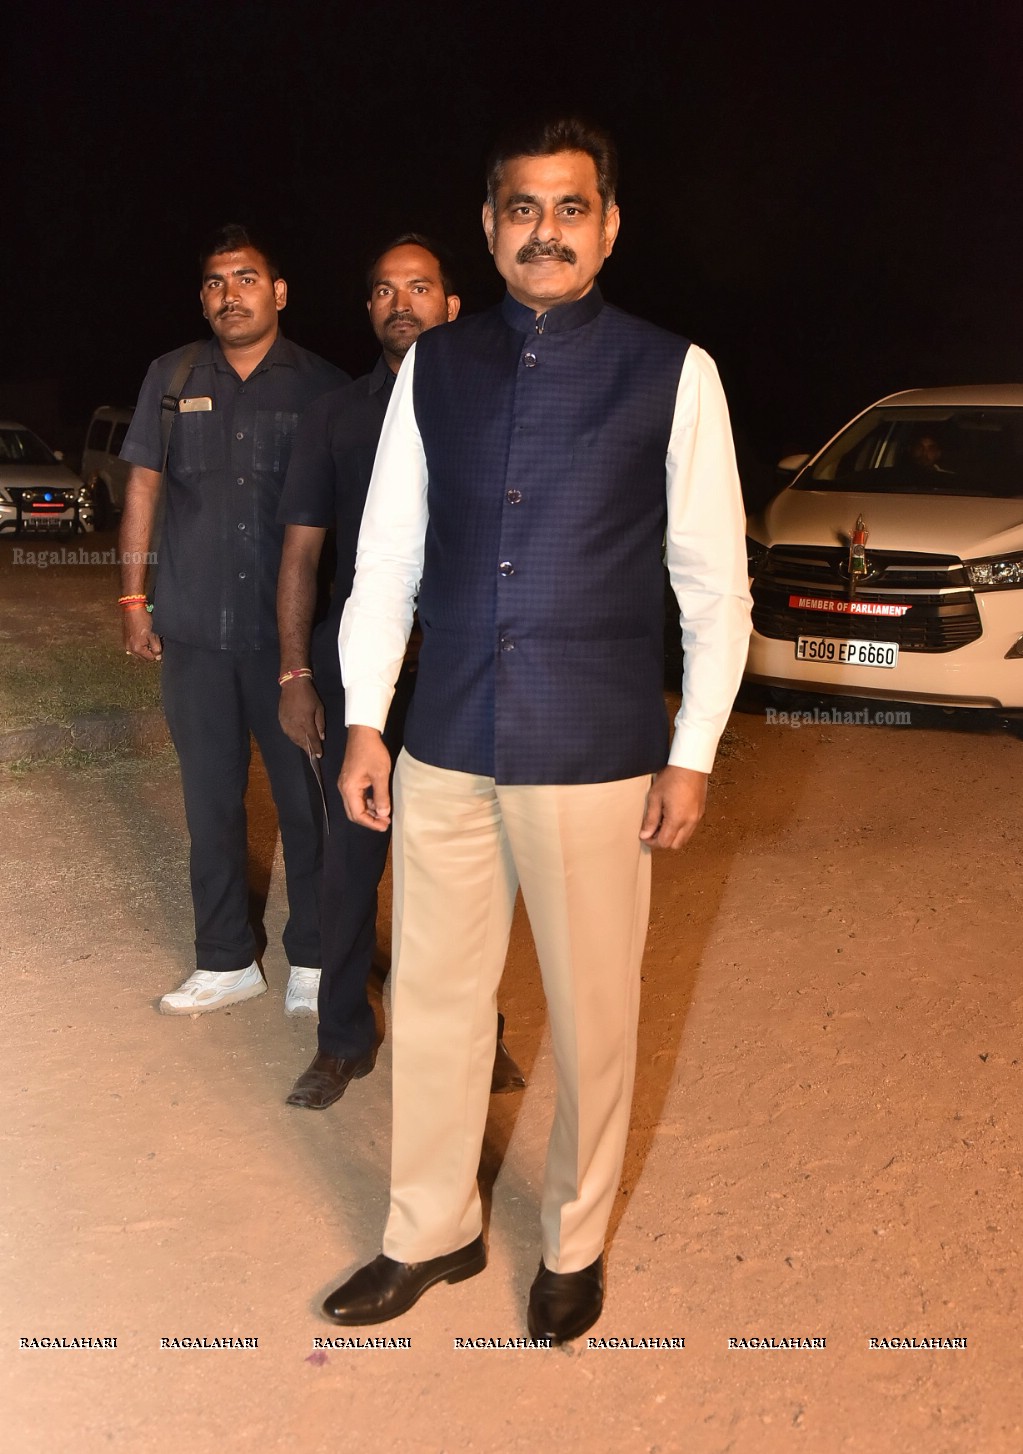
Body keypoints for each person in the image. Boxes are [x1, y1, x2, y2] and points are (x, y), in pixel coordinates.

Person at [326, 118, 752, 1343]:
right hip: (447, 739)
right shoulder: (434, 368)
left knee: (595, 1012)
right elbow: (390, 557)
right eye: (523, 207)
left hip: (599, 752)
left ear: (609, 225)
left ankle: (573, 1241)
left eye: (571, 208)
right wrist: (368, 725)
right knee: (440, 997)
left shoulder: (676, 372)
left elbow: (712, 582)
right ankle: (430, 1228)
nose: (545, 229)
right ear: (490, 225)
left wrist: (696, 748)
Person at [275, 236, 526, 1108]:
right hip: (361, 676)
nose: (400, 303)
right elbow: (302, 556)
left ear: (454, 306)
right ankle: (343, 1036)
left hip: (463, 675)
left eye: (420, 287)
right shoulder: (336, 417)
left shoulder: (496, 406)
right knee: (351, 864)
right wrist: (296, 673)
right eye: (383, 290)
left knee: (466, 866)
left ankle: (474, 1040)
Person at [119, 224, 347, 1016]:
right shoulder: (171, 376)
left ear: (278, 292)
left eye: (246, 278)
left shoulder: (324, 387)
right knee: (209, 801)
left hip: (291, 645)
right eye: (215, 282)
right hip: (192, 636)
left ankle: (316, 961)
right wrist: (132, 598)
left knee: (304, 803)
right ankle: (225, 960)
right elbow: (143, 488)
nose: (229, 294)